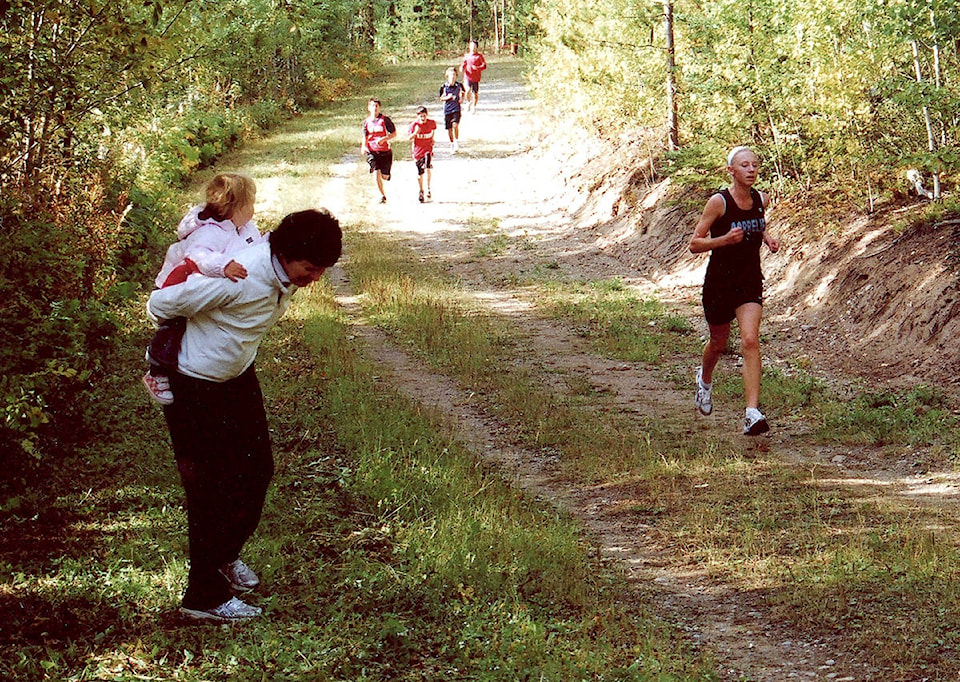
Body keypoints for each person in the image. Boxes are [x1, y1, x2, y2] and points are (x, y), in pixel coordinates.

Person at [148, 209, 343, 623]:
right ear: (286, 254)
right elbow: (160, 302)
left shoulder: (281, 270)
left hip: (236, 374)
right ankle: (203, 597)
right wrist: (180, 342)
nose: (314, 279)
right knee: (209, 489)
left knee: (257, 471)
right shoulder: (241, 276)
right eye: (310, 269)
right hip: (196, 383)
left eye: (321, 270)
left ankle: (224, 558)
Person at [142, 173, 263, 406]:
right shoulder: (210, 231)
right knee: (174, 326)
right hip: (179, 281)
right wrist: (223, 265)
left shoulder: (241, 226)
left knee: (192, 324)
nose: (253, 210)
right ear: (234, 208)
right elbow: (198, 256)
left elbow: (251, 246)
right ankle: (157, 369)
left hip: (201, 283)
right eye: (250, 204)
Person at [688, 146, 780, 436]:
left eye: (754, 165)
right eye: (744, 165)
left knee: (750, 340)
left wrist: (767, 238)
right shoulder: (719, 202)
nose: (751, 170)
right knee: (718, 343)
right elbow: (695, 244)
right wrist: (724, 240)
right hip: (719, 282)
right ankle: (704, 381)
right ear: (731, 171)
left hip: (749, 280)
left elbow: (757, 223)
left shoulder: (762, 199)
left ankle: (752, 413)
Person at [361, 98, 397, 203]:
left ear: (379, 107)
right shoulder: (366, 122)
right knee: (376, 171)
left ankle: (387, 174)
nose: (374, 108)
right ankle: (381, 195)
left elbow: (394, 134)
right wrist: (363, 146)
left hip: (385, 151)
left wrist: (384, 139)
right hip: (372, 151)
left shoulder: (385, 120)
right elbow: (364, 136)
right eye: (372, 106)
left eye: (376, 106)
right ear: (369, 108)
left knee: (384, 177)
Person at [407, 106, 437, 203]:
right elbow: (409, 138)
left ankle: (428, 188)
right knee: (420, 173)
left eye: (424, 116)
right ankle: (421, 190)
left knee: (427, 167)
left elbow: (433, 131)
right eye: (420, 116)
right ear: (417, 117)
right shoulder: (413, 125)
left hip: (427, 149)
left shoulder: (431, 123)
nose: (422, 118)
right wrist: (416, 133)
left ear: (427, 115)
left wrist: (432, 139)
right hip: (418, 152)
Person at [439, 67, 465, 153]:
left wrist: (462, 99)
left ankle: (456, 142)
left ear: (456, 76)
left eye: (454, 75)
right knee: (449, 128)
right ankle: (452, 143)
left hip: (456, 109)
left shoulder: (459, 85)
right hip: (447, 110)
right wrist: (448, 97)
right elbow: (441, 98)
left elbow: (463, 93)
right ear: (447, 76)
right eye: (450, 75)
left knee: (455, 125)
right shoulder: (444, 87)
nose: (452, 77)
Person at [459, 40, 487, 113]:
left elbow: (484, 66)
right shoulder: (466, 56)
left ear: (477, 47)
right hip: (467, 77)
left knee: (475, 94)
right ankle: (468, 102)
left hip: (476, 78)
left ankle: (473, 106)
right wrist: (461, 68)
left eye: (474, 46)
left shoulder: (479, 56)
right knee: (467, 90)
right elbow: (463, 64)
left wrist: (477, 68)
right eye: (471, 46)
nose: (472, 48)